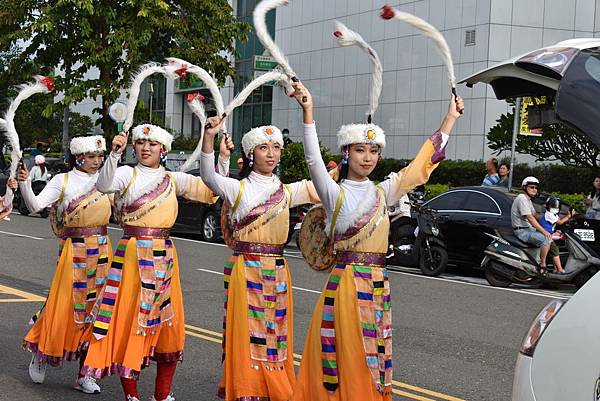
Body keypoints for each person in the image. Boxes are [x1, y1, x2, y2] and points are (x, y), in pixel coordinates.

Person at [290, 81, 463, 399]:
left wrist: (449, 119)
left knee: (373, 357)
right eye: (359, 150)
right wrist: (308, 111)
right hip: (345, 286)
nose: (367, 157)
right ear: (346, 152)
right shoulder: (334, 193)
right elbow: (314, 161)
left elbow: (419, 170)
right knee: (347, 357)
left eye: (373, 151)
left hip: (378, 285)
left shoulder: (384, 192)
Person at [80, 124, 231, 401]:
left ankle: (162, 394)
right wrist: (114, 154)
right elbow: (103, 185)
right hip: (132, 256)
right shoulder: (127, 173)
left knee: (167, 327)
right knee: (130, 323)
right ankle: (131, 395)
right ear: (134, 147)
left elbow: (211, 189)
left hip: (164, 258)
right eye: (140, 143)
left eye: (152, 143)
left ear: (164, 150)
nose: (146, 147)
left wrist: (221, 156)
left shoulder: (174, 180)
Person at [200, 86, 322, 400]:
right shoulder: (236, 189)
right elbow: (208, 176)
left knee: (276, 336)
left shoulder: (288, 192)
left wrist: (307, 112)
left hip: (278, 273)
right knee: (247, 335)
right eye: (264, 148)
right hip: (245, 271)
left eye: (275, 147)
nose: (271, 153)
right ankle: (246, 388)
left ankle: (275, 388)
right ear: (251, 154)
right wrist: (209, 138)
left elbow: (320, 179)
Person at [17, 135, 111, 394]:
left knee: (98, 310)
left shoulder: (107, 181)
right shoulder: (63, 181)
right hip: (74, 251)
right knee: (63, 306)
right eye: (91, 157)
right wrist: (25, 185)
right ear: (78, 157)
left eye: (99, 157)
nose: (96, 162)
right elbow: (36, 205)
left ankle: (85, 374)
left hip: (103, 250)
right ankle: (41, 350)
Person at [511, 177, 552, 273]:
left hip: (528, 229)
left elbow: (535, 215)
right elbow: (530, 218)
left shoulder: (528, 200)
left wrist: (551, 220)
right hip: (522, 231)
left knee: (552, 238)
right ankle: (542, 266)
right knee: (546, 239)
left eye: (536, 188)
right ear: (525, 187)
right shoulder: (522, 198)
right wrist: (543, 231)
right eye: (531, 187)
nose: (534, 190)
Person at [539, 197, 576, 273]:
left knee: (553, 251)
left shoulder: (554, 214)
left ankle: (555, 269)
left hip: (548, 234)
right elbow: (560, 222)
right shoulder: (549, 214)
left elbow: (560, 219)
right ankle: (560, 269)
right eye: (552, 206)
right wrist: (569, 216)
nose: (555, 208)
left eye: (556, 206)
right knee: (555, 250)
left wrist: (567, 216)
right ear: (547, 206)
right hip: (545, 235)